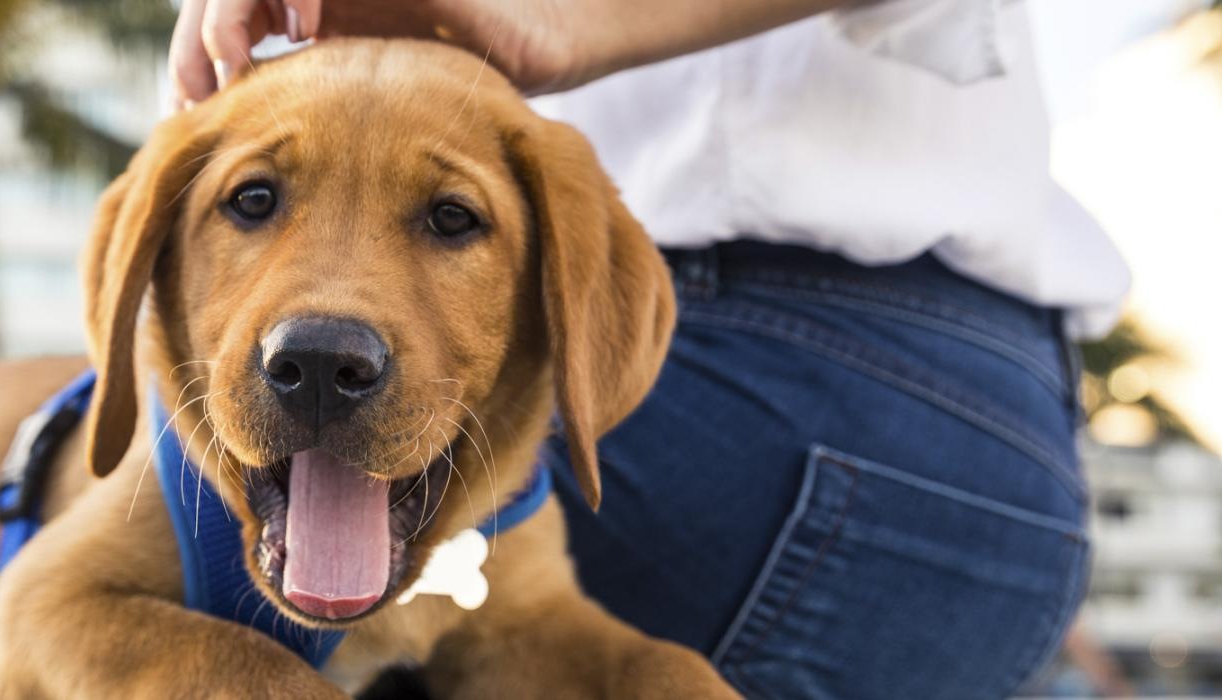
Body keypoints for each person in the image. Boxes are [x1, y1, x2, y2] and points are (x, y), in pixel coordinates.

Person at [167, 1, 1130, 698]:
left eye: (452, 217)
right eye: (254, 202)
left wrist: (571, 21)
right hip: (996, 433)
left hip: (775, 375)